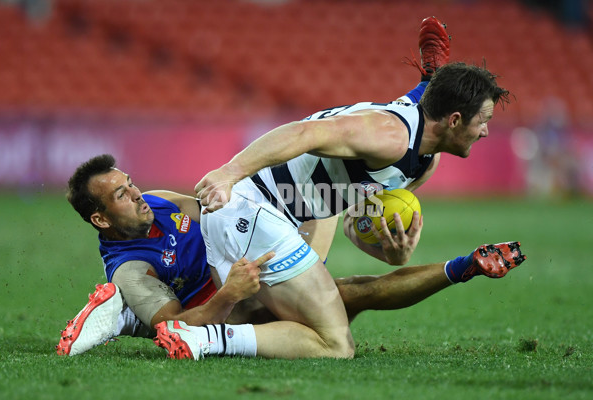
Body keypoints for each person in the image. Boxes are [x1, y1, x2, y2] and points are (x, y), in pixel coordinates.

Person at [57, 17, 526, 360]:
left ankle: (463, 266)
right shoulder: (389, 135)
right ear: (455, 119)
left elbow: (350, 210)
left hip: (281, 215)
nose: (487, 132)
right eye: (483, 122)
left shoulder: (419, 152)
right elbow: (303, 133)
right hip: (252, 220)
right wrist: (229, 172)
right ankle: (197, 339)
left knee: (346, 294)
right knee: (334, 343)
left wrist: (383, 243)